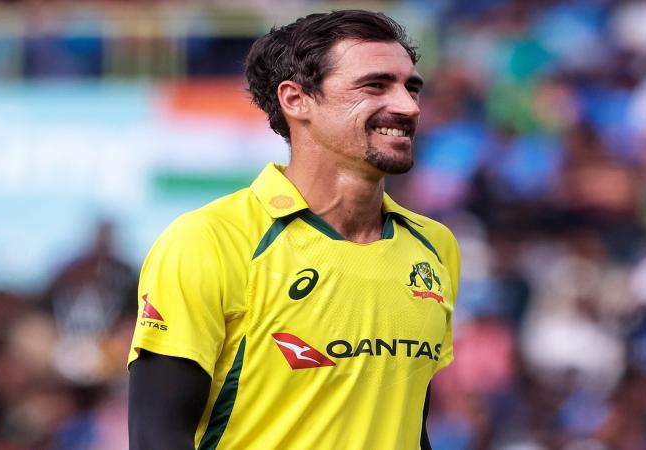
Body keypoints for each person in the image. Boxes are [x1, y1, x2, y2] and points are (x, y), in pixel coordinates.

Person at [128, 9, 460, 450]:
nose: (408, 106)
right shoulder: (211, 239)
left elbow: (407, 423)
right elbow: (156, 436)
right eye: (375, 85)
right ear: (296, 99)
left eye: (411, 87)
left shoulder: (436, 247)